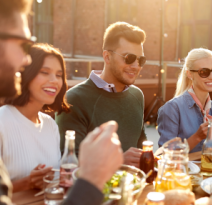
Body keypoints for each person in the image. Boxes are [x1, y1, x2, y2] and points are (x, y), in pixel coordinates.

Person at [0, 0, 123, 205]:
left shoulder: (51, 124)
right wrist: (91, 178)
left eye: (59, 74)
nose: (23, 59)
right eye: (22, 44)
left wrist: (57, 178)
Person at [56, 22, 147, 168]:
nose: (136, 66)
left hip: (131, 187)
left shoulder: (137, 95)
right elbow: (70, 163)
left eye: (140, 60)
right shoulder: (74, 99)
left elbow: (140, 143)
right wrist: (119, 161)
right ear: (107, 57)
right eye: (129, 58)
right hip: (93, 190)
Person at [0, 43, 69, 193]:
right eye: (45, 72)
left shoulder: (50, 125)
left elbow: (55, 180)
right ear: (26, 74)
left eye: (59, 75)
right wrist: (26, 183)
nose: (55, 81)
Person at [157, 48, 212, 153]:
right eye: (204, 72)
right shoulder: (172, 108)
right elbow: (165, 154)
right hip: (183, 169)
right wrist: (197, 137)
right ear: (189, 74)